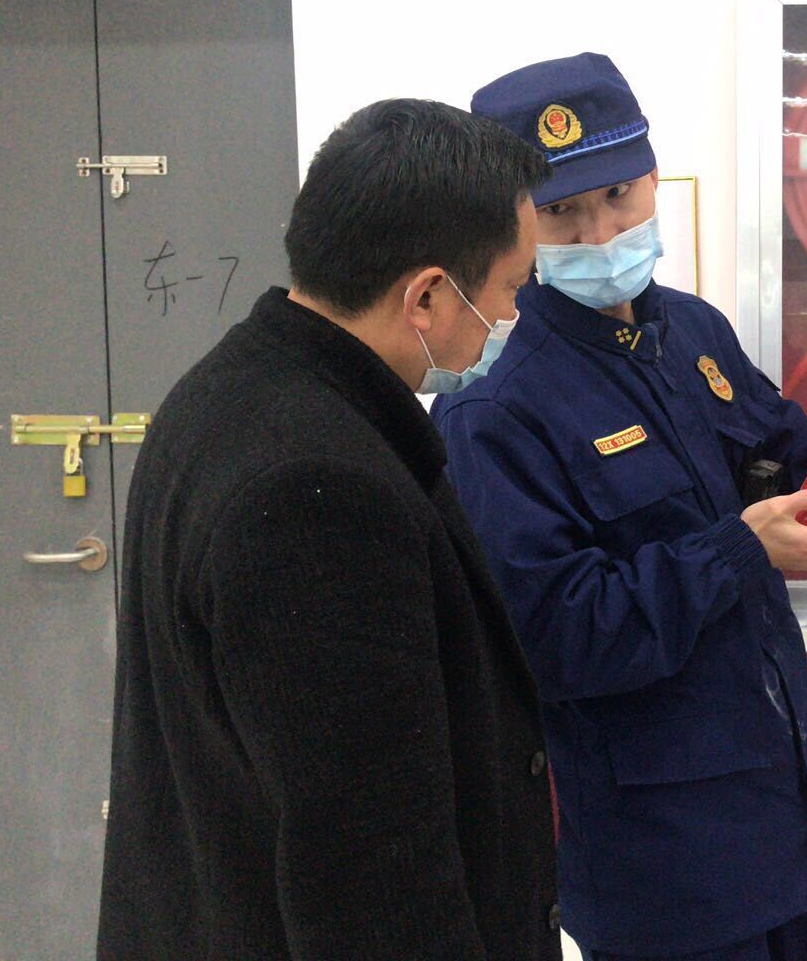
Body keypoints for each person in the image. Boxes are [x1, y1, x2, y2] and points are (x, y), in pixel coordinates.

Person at [433, 53, 807, 960]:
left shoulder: (692, 331)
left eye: (618, 196)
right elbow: (556, 637)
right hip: (669, 877)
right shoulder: (495, 407)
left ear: (651, 178)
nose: (600, 234)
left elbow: (783, 455)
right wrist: (739, 551)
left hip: (791, 819)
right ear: (510, 224)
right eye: (561, 212)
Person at [99, 99, 562, 958]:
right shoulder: (318, 495)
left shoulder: (227, 393)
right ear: (428, 295)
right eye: (509, 288)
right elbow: (372, 877)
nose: (513, 316)